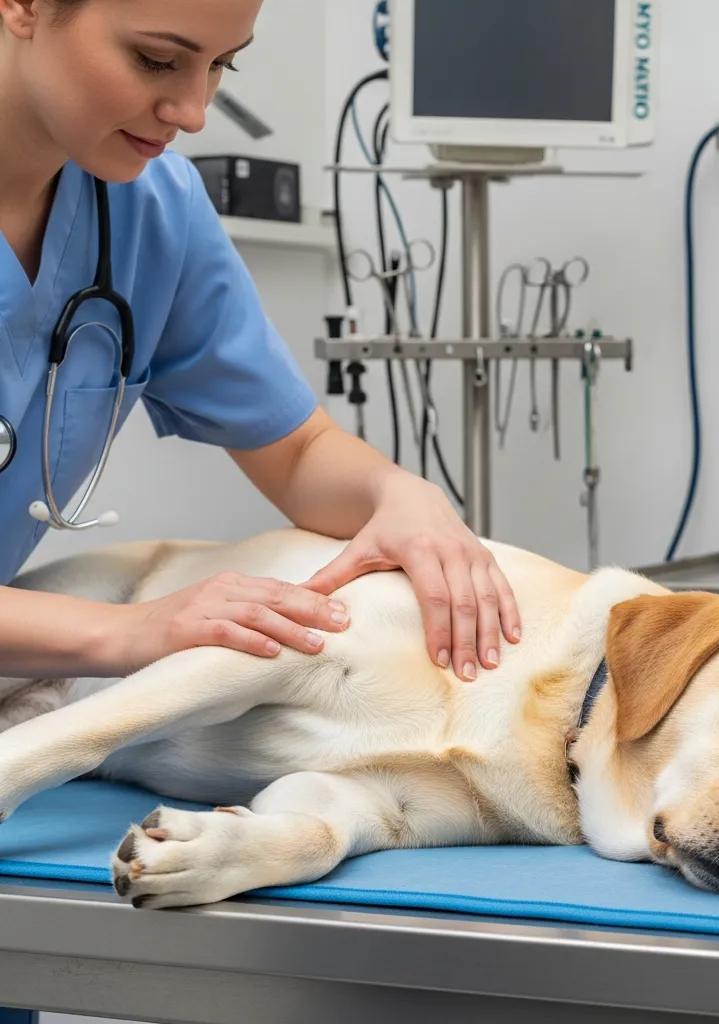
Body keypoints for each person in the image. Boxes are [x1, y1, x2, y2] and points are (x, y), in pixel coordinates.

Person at [0, 0, 521, 683]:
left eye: (221, 65)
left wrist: (397, 496)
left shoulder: (153, 212)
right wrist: (130, 630)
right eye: (156, 60)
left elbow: (298, 451)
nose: (193, 111)